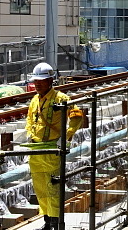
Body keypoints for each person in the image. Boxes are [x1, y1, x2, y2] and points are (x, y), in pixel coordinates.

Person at [25, 63, 83, 230]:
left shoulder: (61, 99)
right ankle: (47, 221)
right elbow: (30, 119)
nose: (37, 84)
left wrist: (66, 137)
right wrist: (30, 133)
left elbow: (77, 117)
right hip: (35, 150)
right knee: (40, 189)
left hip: (51, 150)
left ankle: (55, 222)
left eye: (41, 81)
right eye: (36, 81)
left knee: (53, 189)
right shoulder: (35, 100)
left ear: (50, 80)